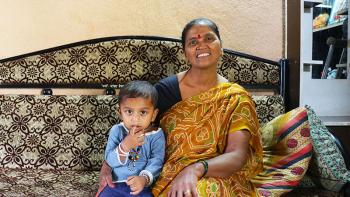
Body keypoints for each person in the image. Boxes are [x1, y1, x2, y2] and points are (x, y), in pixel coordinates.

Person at [96, 18, 263, 197]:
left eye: (209, 39)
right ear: (185, 53)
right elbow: (130, 128)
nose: (201, 45)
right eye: (193, 42)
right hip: (171, 175)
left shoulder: (235, 98)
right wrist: (106, 169)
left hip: (215, 172)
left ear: (220, 47)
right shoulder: (166, 90)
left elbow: (237, 155)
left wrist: (196, 170)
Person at [98, 80, 165, 197]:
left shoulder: (156, 135)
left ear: (153, 114)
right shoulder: (117, 131)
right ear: (120, 113)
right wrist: (125, 146)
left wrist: (144, 179)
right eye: (129, 111)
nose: (135, 119)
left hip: (141, 187)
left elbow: (156, 161)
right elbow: (109, 160)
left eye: (143, 112)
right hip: (115, 185)